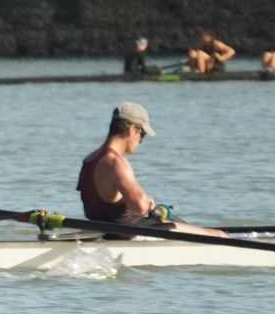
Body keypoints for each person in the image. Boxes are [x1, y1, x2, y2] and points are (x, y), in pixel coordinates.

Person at [76, 102, 227, 239]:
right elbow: (140, 207)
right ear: (132, 129)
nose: (140, 141)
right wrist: (147, 201)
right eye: (142, 135)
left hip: (106, 232)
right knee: (218, 235)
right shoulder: (116, 163)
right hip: (132, 233)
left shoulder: (90, 160)